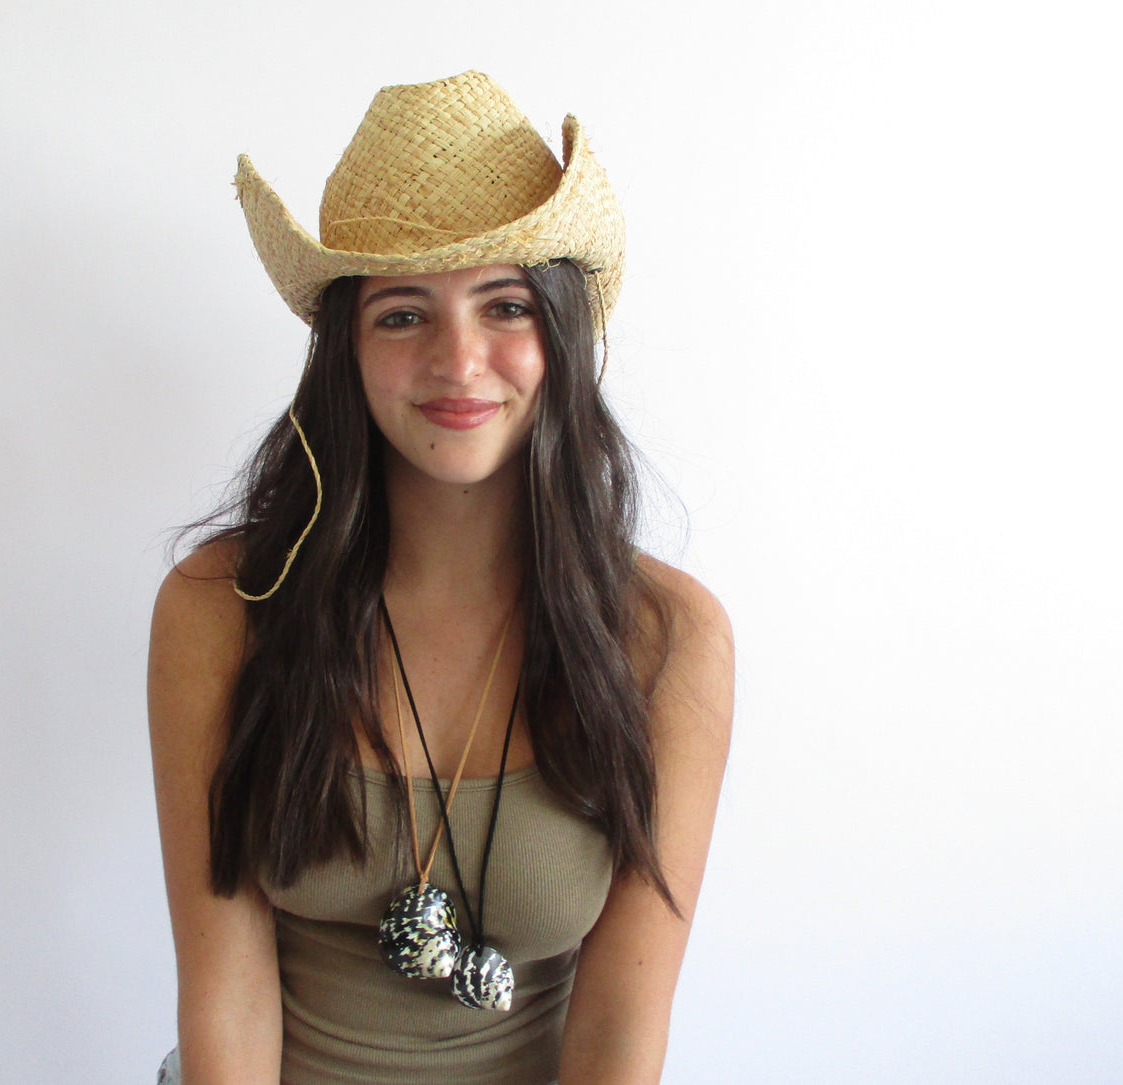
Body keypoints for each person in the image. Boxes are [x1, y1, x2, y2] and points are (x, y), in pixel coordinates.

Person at [148, 71, 733, 1084]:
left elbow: (618, 1037)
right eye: (402, 315)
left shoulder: (666, 636)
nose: (459, 363)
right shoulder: (222, 605)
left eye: (503, 305)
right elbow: (223, 999)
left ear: (558, 331)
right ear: (347, 350)